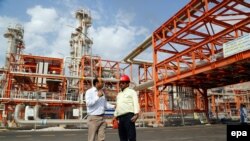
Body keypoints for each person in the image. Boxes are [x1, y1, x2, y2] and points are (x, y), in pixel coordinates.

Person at [114, 74, 140, 141]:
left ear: (128, 84)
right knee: (122, 138)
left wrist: (136, 114)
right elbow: (118, 105)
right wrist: (115, 116)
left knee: (131, 137)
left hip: (129, 117)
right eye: (120, 83)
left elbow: (135, 102)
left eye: (123, 83)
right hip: (120, 117)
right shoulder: (119, 94)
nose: (121, 84)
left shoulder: (132, 92)